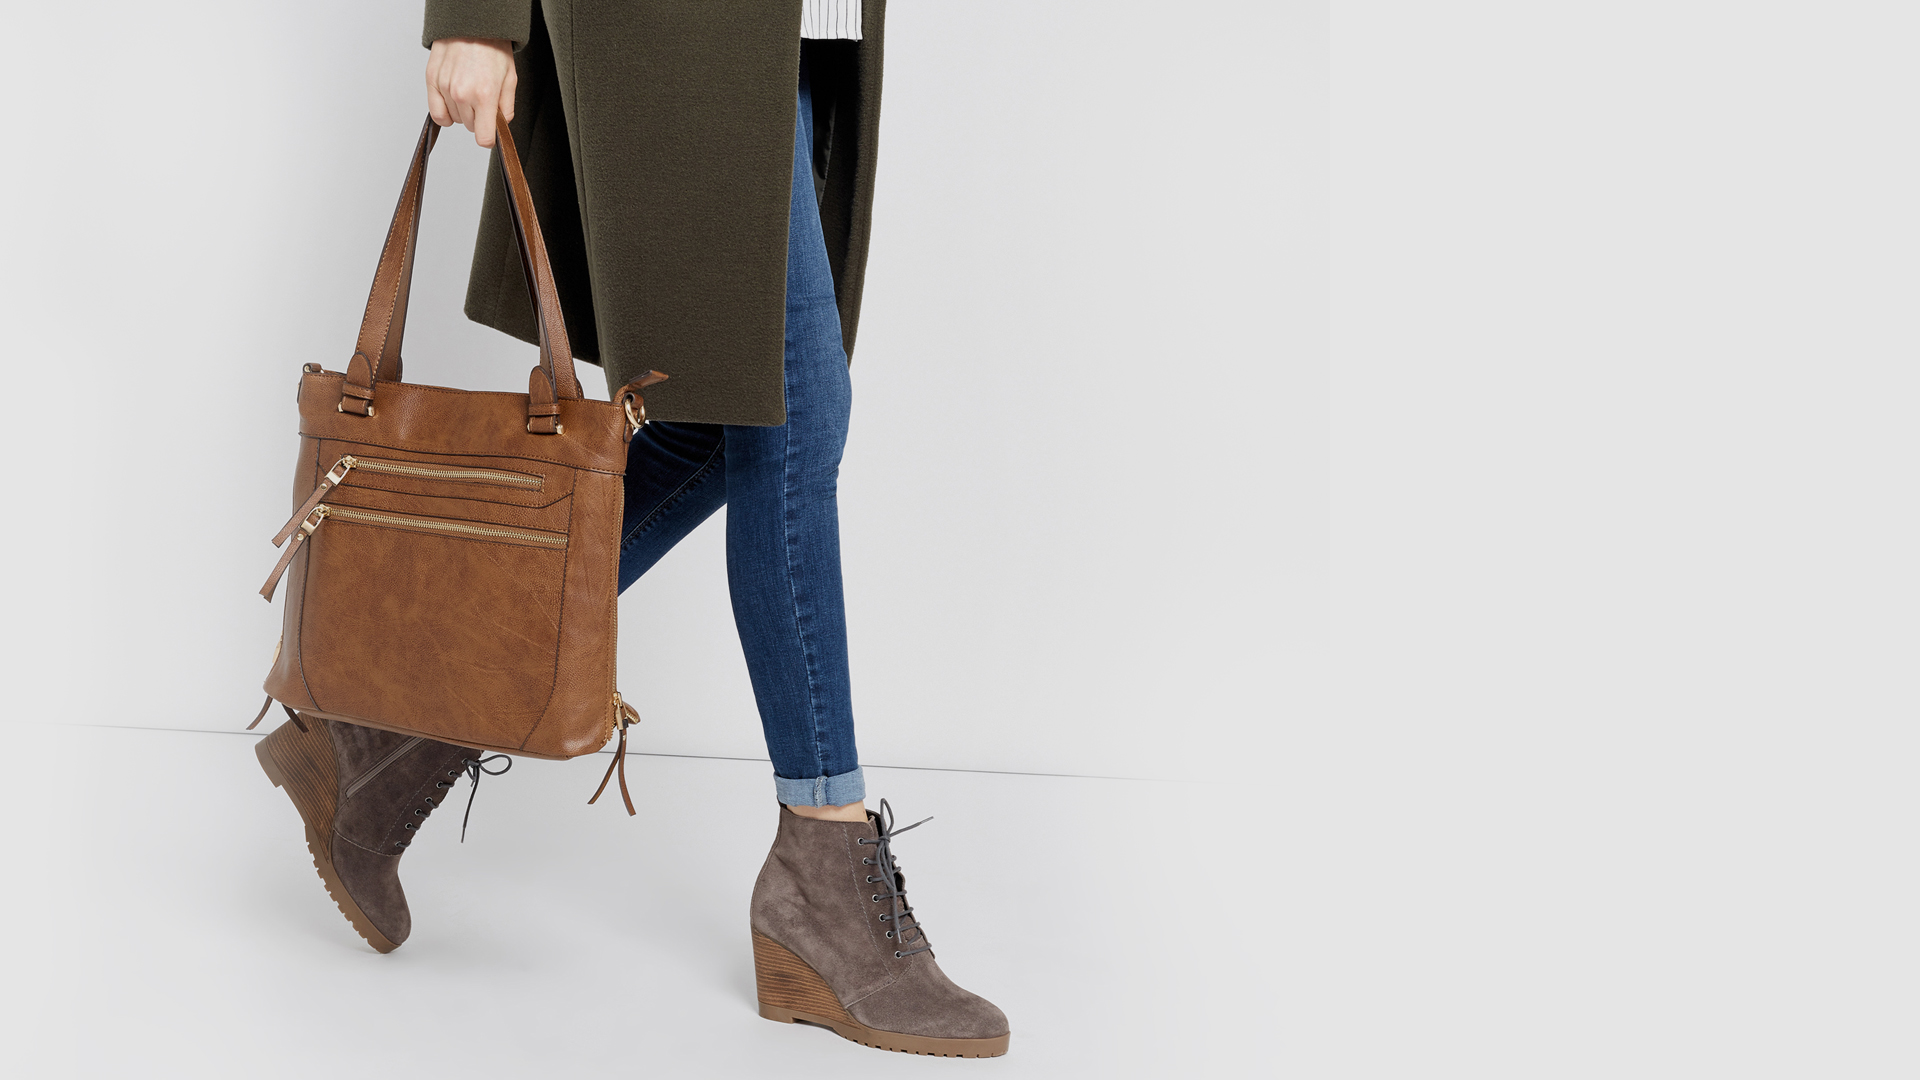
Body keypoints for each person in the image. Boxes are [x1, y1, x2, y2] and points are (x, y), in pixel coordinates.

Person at [252, 1, 1009, 1058]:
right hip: (682, 26)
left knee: (720, 422)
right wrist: (474, 16)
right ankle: (823, 869)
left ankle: (386, 743)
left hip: (786, 30)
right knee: (789, 415)